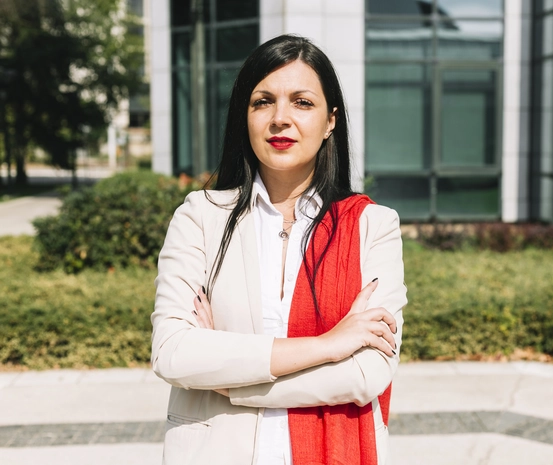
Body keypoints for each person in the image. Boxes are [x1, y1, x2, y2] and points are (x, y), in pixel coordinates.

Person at [151, 34, 406, 465]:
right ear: (244, 117)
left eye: (302, 102)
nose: (280, 118)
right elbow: (173, 352)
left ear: (330, 121)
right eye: (262, 101)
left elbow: (367, 373)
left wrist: (225, 379)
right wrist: (329, 345)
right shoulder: (201, 216)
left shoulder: (371, 227)